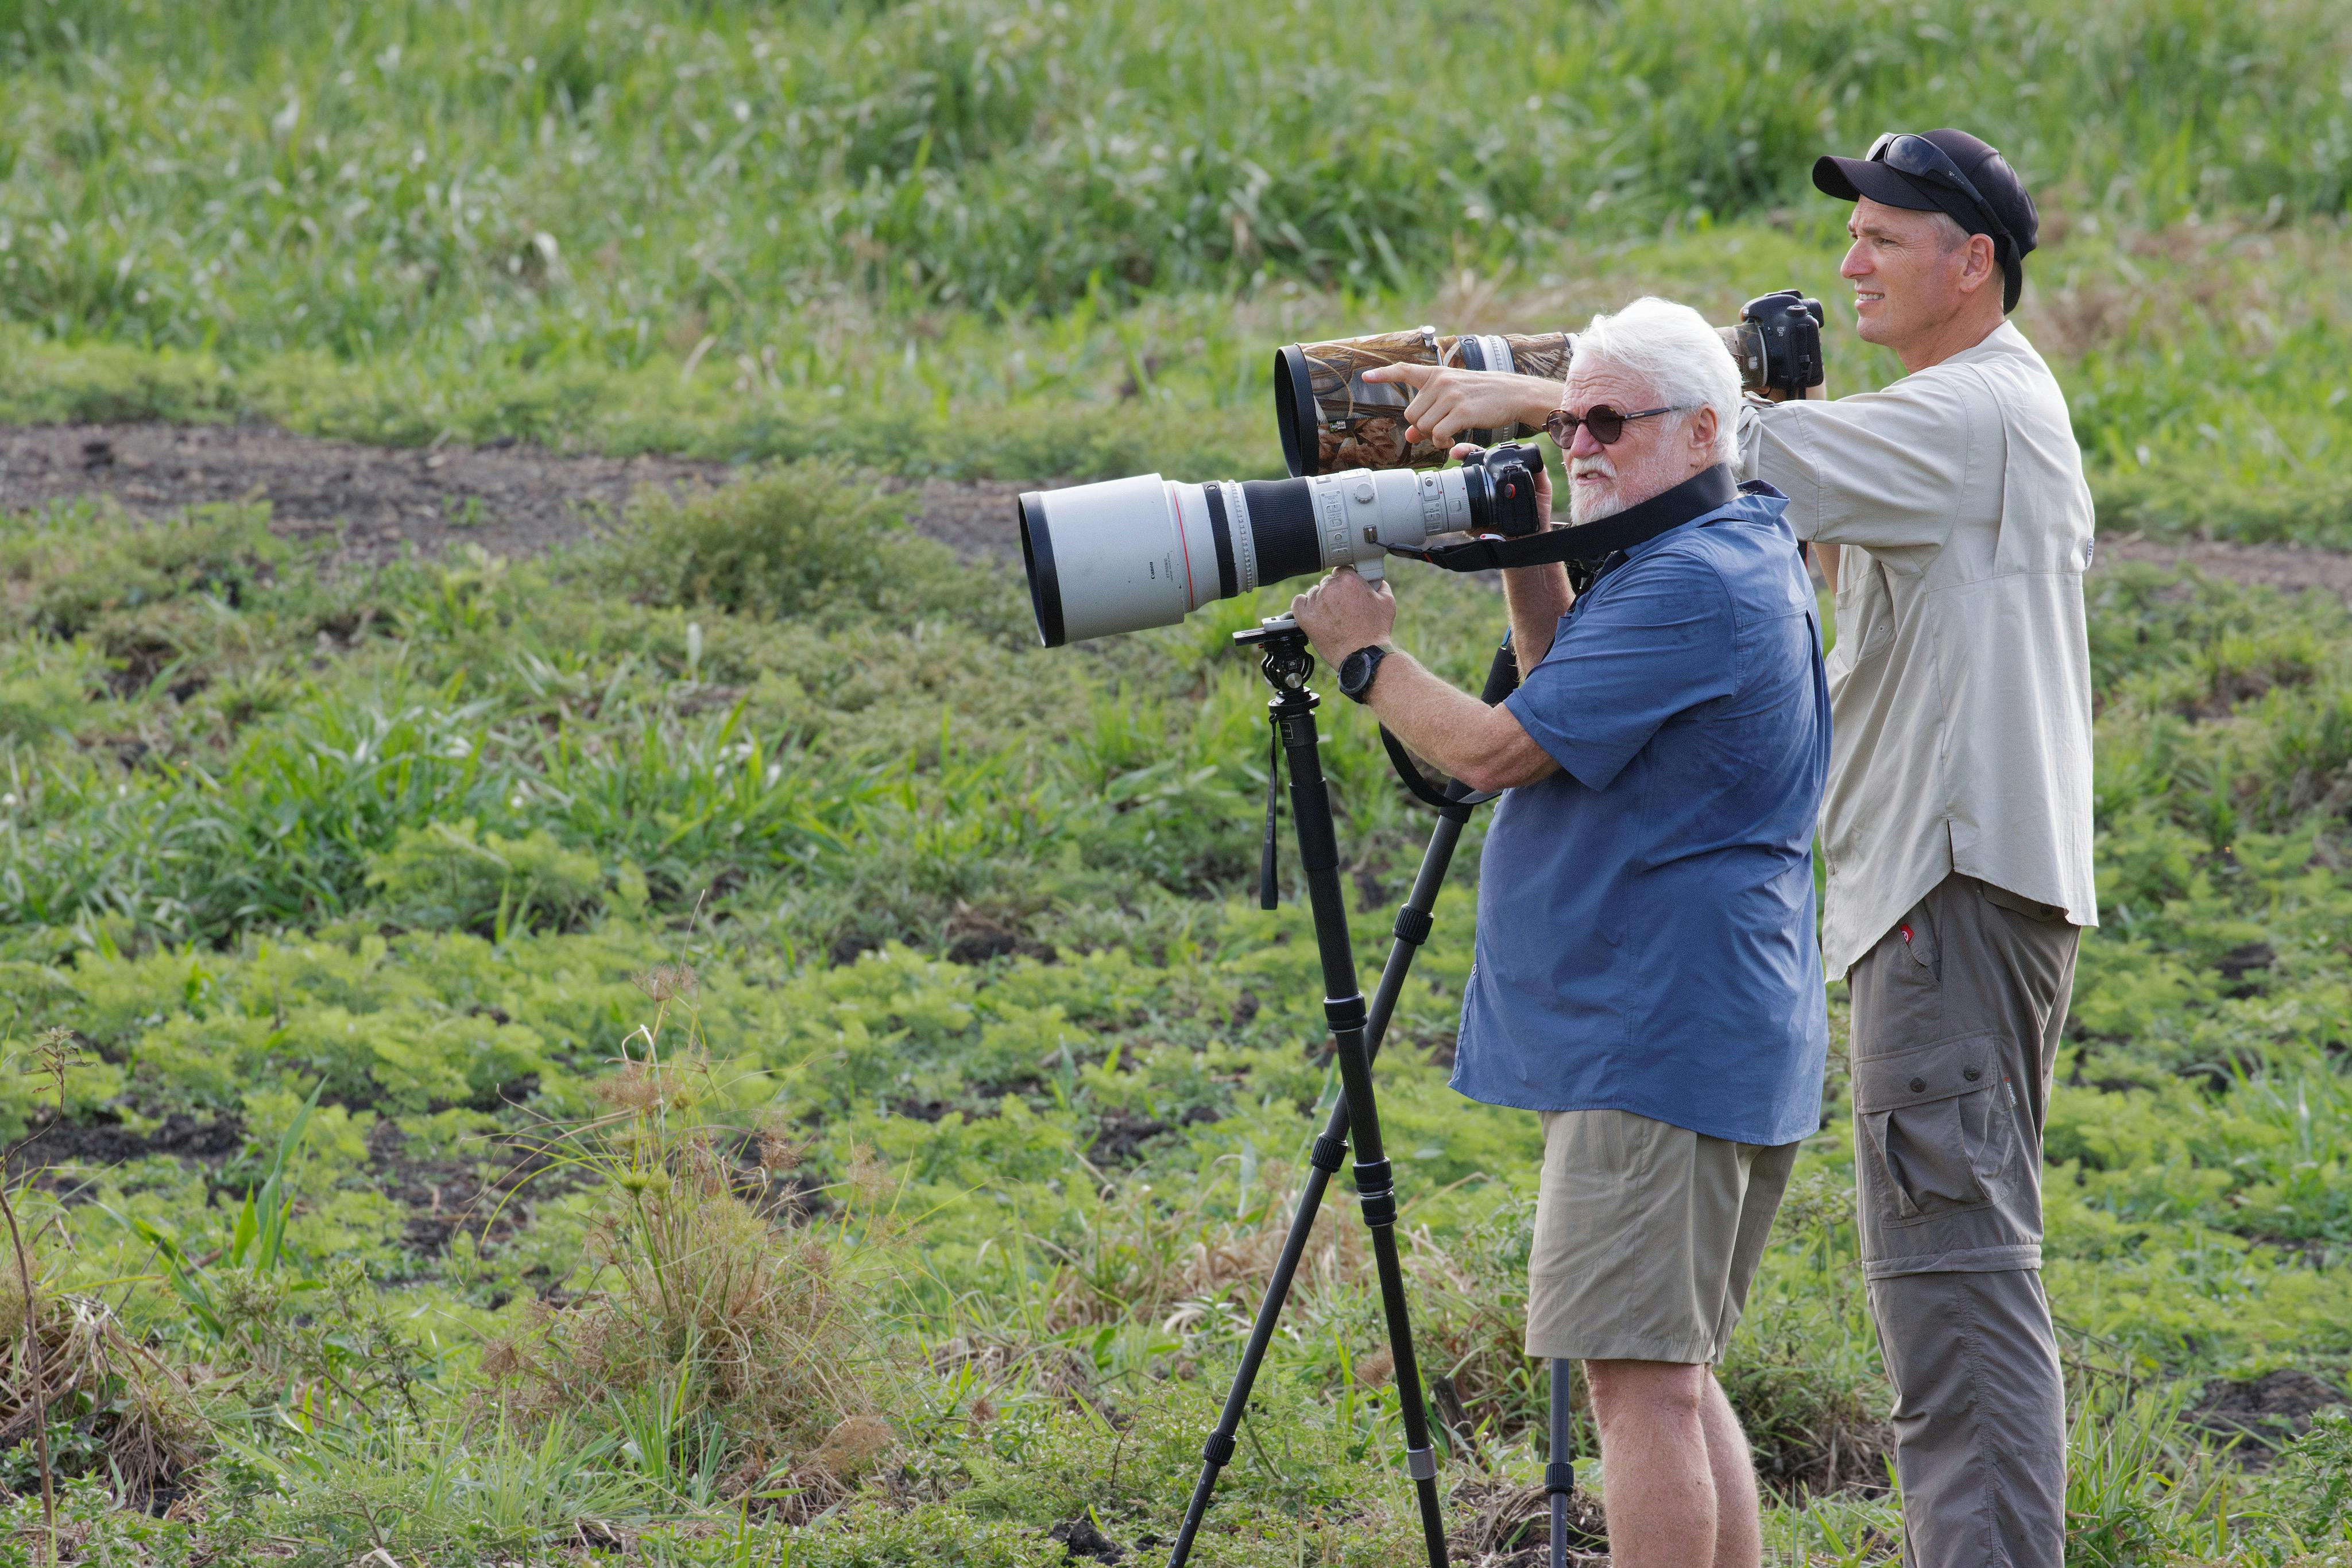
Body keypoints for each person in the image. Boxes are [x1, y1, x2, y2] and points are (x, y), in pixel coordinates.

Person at [1363, 129, 2094, 1568]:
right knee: (1889, 1300)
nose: (1846, 265)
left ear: (1974, 263)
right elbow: (1725, 459)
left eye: (1882, 238)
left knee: (1952, 1286)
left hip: (1947, 893)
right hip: (1918, 896)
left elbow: (1732, 448)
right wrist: (1585, 430)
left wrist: (1530, 389)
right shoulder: (1945, 417)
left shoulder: (1976, 415)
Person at [1289, 297, 1830, 1568]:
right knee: (1674, 1375)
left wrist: (1366, 660)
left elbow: (1494, 748)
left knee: (1633, 1389)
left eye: (1604, 423)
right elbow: (1558, 696)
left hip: (1653, 1037)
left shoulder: (1686, 584)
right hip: (1706, 1025)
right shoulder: (1724, 547)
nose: (1576, 443)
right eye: (1564, 412)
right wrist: (1532, 551)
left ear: (1702, 431)